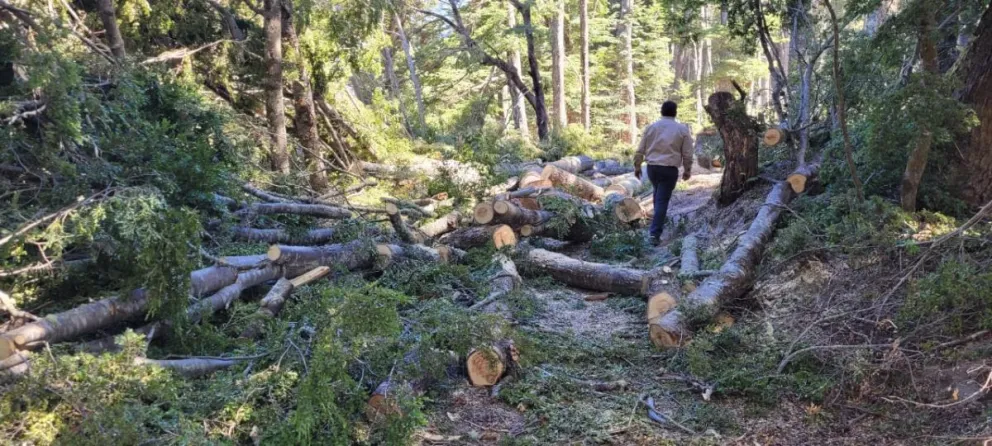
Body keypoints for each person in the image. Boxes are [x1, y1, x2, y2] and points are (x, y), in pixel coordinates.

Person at [634, 100, 693, 245]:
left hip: (652, 168)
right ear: (675, 112)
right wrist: (687, 170)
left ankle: (655, 225)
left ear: (661, 111)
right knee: (661, 200)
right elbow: (687, 153)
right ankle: (654, 234)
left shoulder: (651, 127)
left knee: (657, 195)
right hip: (669, 169)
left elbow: (640, 150)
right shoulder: (682, 129)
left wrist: (637, 167)